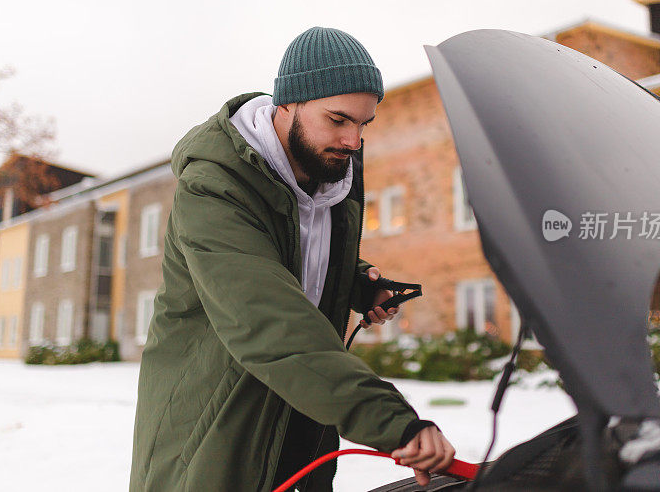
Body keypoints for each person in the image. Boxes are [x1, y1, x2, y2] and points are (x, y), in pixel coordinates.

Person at [129, 26, 455, 491]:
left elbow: (295, 258)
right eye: (339, 119)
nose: (353, 141)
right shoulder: (215, 187)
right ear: (288, 104)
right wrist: (392, 423)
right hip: (216, 428)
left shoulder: (332, 176)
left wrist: (357, 282)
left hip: (304, 422)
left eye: (364, 124)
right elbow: (268, 318)